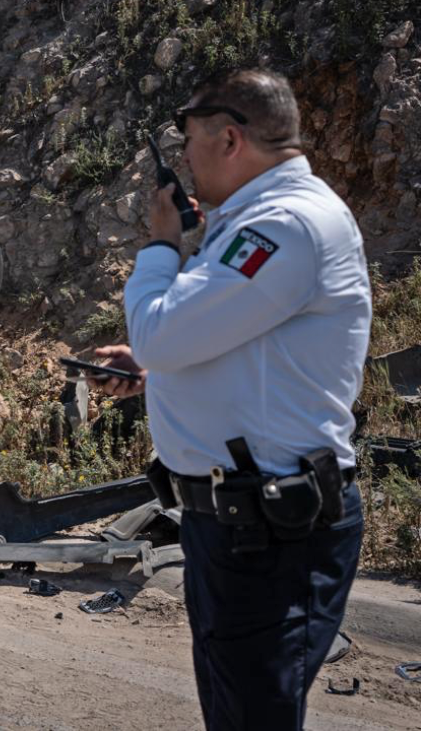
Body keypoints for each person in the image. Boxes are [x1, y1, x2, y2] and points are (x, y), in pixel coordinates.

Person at [90, 68, 369, 729]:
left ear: (229, 139)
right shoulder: (257, 222)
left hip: (271, 532)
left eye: (188, 139)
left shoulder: (284, 226)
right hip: (239, 524)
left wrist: (162, 244)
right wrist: (156, 372)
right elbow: (245, 349)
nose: (184, 158)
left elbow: (161, 332)